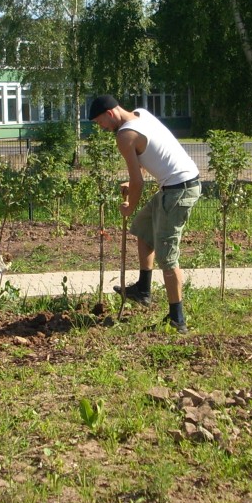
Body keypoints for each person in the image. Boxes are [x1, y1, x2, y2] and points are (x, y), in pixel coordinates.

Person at [89, 94, 201, 333]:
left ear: (110, 114)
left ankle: (177, 320)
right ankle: (143, 289)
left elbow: (138, 182)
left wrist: (130, 205)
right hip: (174, 185)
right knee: (143, 228)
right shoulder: (141, 114)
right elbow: (145, 154)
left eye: (101, 123)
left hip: (178, 190)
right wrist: (132, 181)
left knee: (167, 256)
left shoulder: (123, 135)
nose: (102, 128)